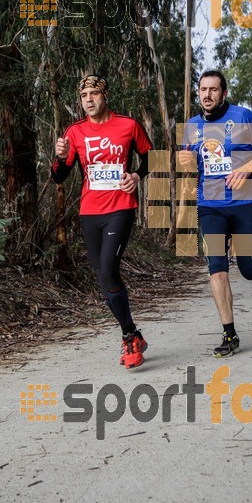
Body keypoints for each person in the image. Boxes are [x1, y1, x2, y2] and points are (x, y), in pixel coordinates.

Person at [51, 75, 153, 369]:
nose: (89, 100)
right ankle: (133, 333)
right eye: (84, 96)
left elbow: (151, 157)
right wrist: (59, 157)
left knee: (109, 268)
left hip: (120, 207)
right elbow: (59, 175)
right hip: (89, 212)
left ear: (105, 96)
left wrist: (135, 176)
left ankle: (128, 339)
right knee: (104, 279)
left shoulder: (128, 125)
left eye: (95, 93)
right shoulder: (74, 132)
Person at [179, 70, 252, 357]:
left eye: (213, 89)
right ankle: (229, 333)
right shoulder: (193, 126)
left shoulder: (243, 116)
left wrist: (247, 168)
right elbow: (192, 163)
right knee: (217, 269)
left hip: (245, 203)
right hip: (211, 207)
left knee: (248, 270)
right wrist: (185, 160)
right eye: (203, 90)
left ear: (224, 93)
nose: (207, 95)